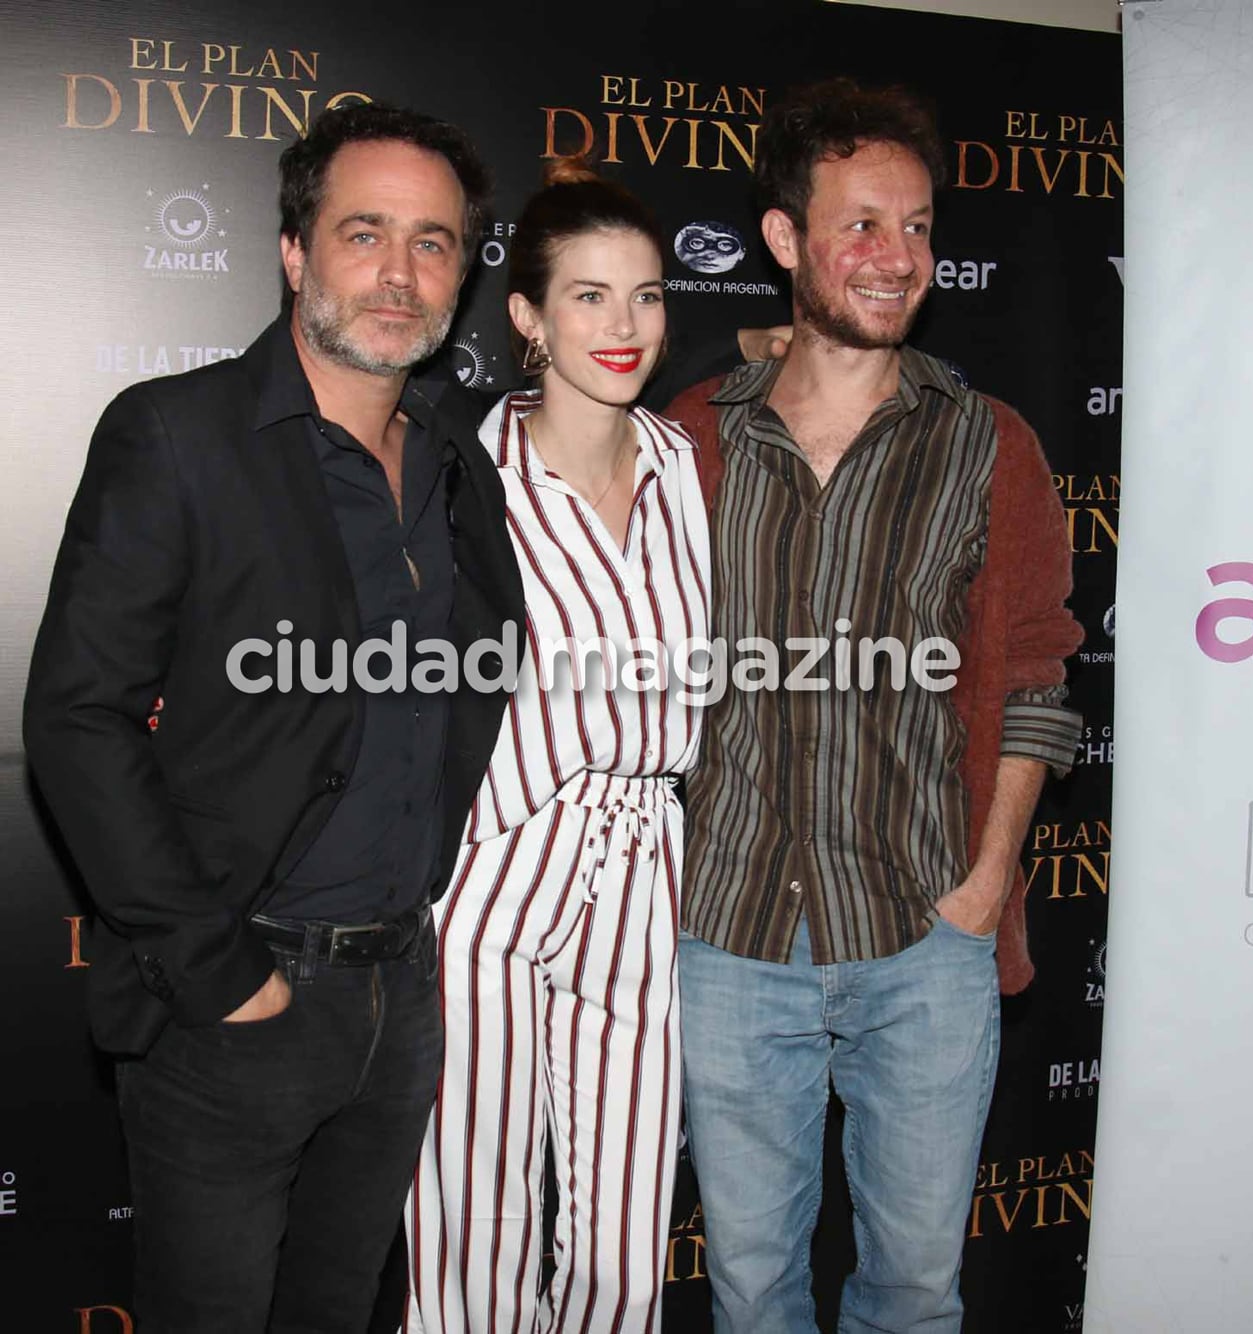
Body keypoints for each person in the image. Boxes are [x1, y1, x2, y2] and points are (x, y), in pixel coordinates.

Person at [21, 103, 521, 1332]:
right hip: (235, 1003)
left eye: (434, 242)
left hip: (398, 994)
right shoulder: (179, 436)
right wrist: (217, 969)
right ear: (296, 251)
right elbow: (77, 715)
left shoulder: (459, 458)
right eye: (364, 233)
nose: (400, 274)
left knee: (339, 1311)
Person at [668, 78, 1083, 1333]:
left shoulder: (987, 442)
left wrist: (983, 884)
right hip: (730, 935)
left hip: (922, 937)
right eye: (859, 225)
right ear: (785, 241)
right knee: (749, 1288)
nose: (895, 257)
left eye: (915, 227)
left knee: (912, 1290)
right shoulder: (689, 437)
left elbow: (1031, 676)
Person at [405, 158, 709, 1334]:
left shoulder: (691, 472)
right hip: (496, 870)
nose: (624, 326)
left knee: (629, 1259)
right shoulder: (460, 478)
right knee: (473, 1240)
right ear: (525, 316)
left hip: (645, 866)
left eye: (644, 295)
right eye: (587, 296)